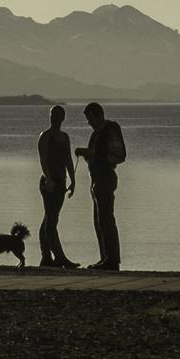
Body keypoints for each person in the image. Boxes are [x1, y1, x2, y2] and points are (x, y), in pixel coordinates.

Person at [75, 101, 125, 271]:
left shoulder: (109, 130)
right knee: (100, 221)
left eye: (89, 118)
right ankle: (106, 258)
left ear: (98, 115)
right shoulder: (98, 132)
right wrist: (89, 156)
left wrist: (92, 155)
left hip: (105, 177)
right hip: (97, 178)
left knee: (106, 220)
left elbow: (118, 155)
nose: (88, 122)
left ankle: (111, 260)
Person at [36, 105, 79, 268]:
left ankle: (46, 258)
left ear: (63, 117)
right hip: (49, 181)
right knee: (52, 219)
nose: (54, 117)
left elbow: (68, 159)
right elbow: (43, 160)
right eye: (52, 114)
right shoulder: (45, 136)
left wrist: (73, 181)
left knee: (49, 218)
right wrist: (48, 180)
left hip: (61, 181)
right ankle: (59, 257)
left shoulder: (65, 137)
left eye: (57, 115)